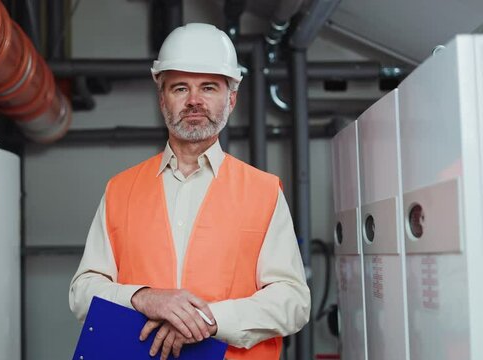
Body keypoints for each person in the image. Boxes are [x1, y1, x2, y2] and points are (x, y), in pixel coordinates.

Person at [69, 23, 310, 360]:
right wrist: (143, 297)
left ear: (232, 98)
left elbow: (293, 301)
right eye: (180, 88)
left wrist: (205, 320)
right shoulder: (120, 190)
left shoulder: (264, 191)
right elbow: (82, 292)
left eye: (209, 87)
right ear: (162, 98)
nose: (194, 101)